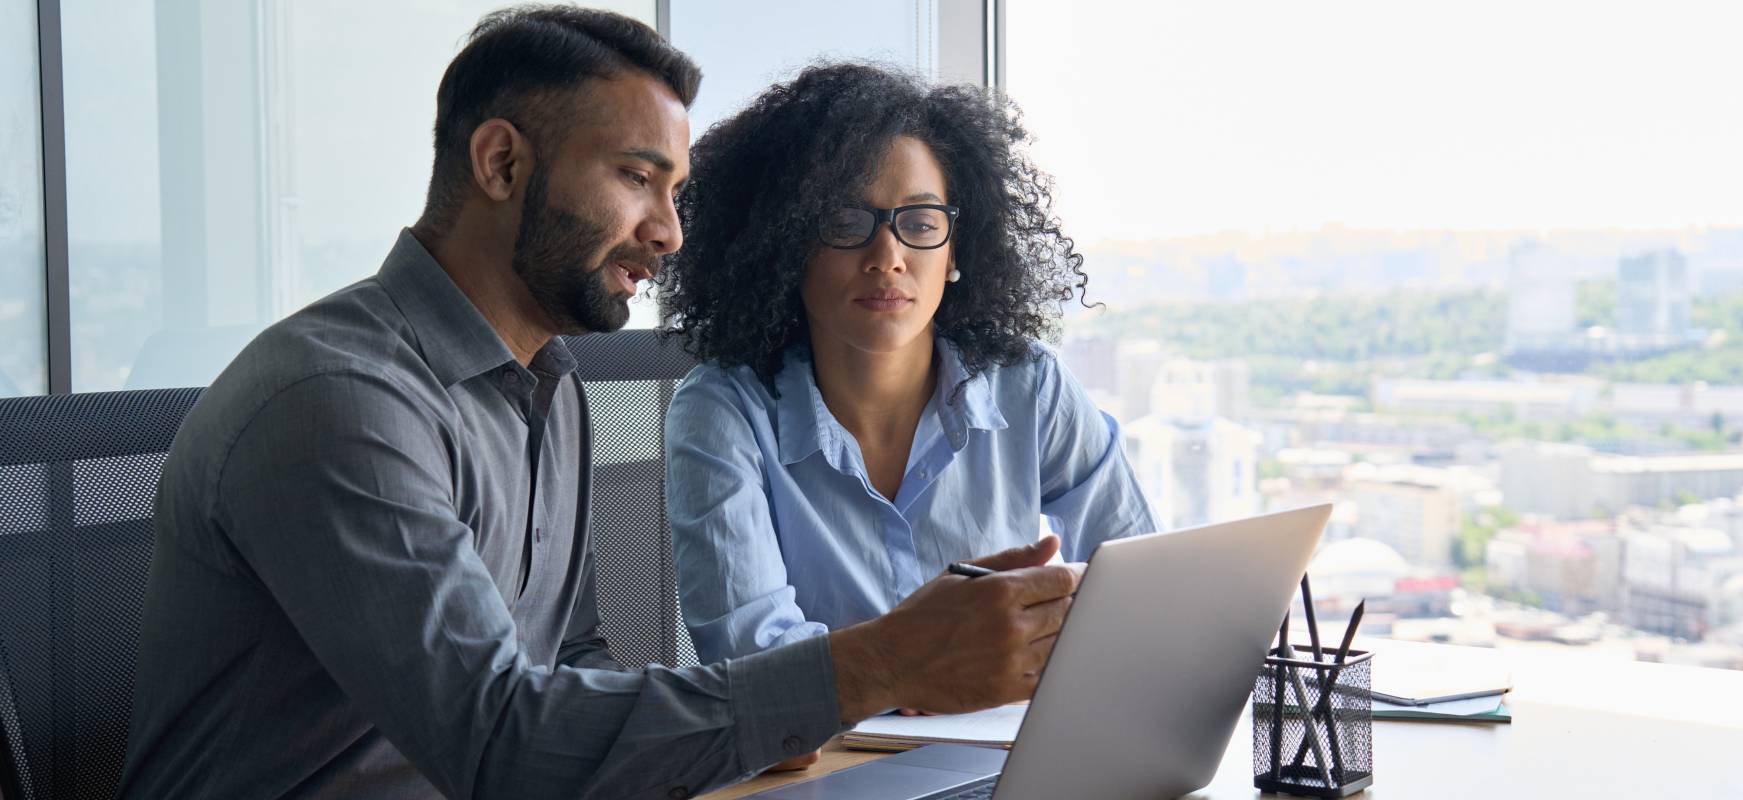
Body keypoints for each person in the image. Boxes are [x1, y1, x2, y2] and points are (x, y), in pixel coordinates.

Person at [116, 9, 1081, 799]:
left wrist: (758, 720)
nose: (667, 233)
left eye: (677, 192)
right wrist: (875, 666)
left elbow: (570, 659)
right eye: (636, 178)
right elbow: (497, 742)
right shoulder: (341, 402)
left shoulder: (550, 384)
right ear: (501, 165)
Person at [657, 64, 1157, 716]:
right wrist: (911, 671)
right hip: (827, 771)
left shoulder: (1028, 386)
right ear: (785, 245)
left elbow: (1142, 588)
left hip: (1009, 754)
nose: (887, 255)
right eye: (845, 220)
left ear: (954, 253)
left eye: (919, 222)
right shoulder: (721, 413)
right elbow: (757, 669)